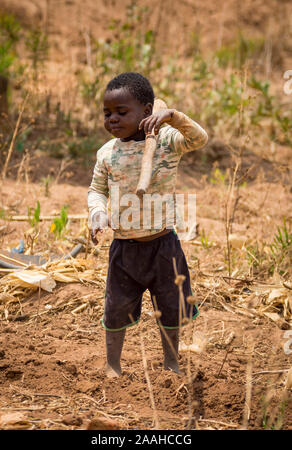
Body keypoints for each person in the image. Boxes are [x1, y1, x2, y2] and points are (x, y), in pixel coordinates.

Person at [88, 72, 208, 377]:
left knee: (170, 307)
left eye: (121, 112)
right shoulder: (107, 153)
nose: (112, 119)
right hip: (124, 249)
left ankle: (171, 362)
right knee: (116, 311)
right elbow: (96, 190)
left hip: (164, 246)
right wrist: (98, 213)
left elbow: (199, 139)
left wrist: (173, 117)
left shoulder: (167, 141)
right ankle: (113, 365)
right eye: (107, 113)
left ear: (146, 111)